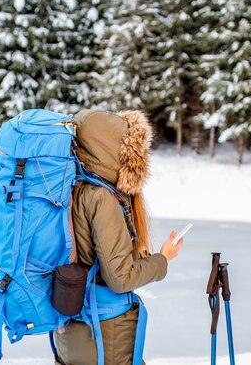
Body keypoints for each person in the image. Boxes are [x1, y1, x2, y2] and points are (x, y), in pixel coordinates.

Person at [53, 109, 184, 365]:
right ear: (114, 150)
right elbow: (120, 278)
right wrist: (163, 259)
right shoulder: (102, 197)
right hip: (105, 334)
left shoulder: (69, 187)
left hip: (70, 331)